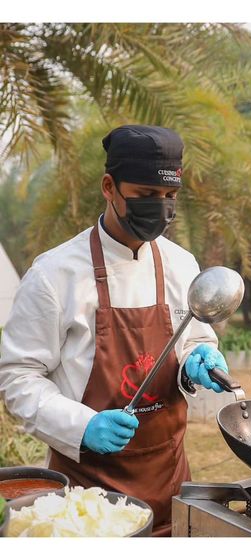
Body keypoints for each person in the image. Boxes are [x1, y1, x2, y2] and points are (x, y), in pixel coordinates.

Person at [0, 124, 230, 537]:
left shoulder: (182, 265)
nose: (160, 208)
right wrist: (81, 426)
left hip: (170, 483)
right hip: (88, 503)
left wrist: (198, 358)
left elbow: (194, 337)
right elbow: (17, 378)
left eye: (169, 197)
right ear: (110, 186)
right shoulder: (55, 274)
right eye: (145, 195)